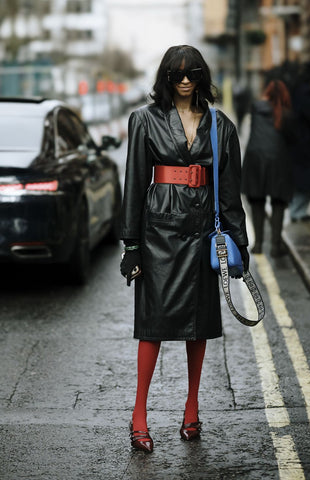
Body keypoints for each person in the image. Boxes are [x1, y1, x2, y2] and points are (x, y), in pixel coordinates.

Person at [120, 45, 249, 453]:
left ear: (202, 76)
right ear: (166, 78)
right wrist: (132, 245)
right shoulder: (143, 120)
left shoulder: (220, 126)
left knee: (199, 324)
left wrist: (239, 244)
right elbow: (134, 184)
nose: (185, 80)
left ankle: (191, 408)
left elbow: (230, 194)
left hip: (202, 232)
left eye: (192, 72)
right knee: (152, 325)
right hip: (158, 232)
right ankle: (139, 415)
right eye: (176, 74)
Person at [241, 80, 293, 257]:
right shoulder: (286, 114)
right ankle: (276, 246)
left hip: (255, 158)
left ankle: (258, 245)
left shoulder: (256, 107)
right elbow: (293, 140)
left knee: (257, 201)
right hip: (278, 160)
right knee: (278, 202)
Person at [288, 61, 310, 222]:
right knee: (306, 178)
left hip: (298, 141)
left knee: (301, 178)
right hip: (304, 142)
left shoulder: (296, 89)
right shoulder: (306, 92)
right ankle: (297, 212)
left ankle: (297, 211)